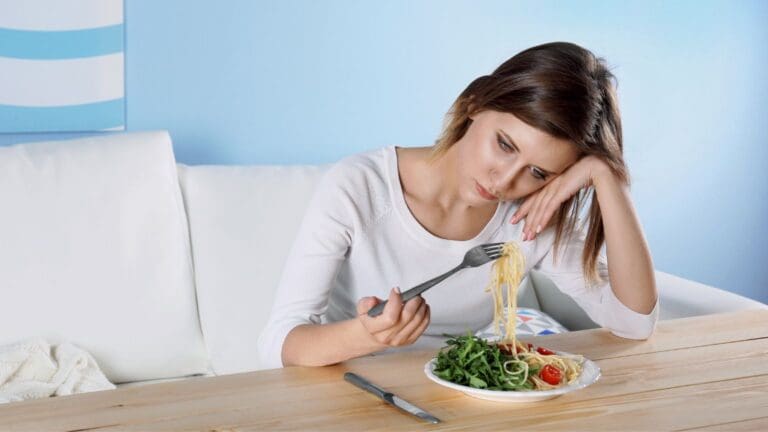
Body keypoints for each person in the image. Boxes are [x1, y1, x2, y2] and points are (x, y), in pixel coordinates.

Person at [257, 41, 659, 369]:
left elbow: (635, 322)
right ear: (474, 104)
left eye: (537, 171)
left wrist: (608, 177)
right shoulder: (360, 186)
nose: (504, 181)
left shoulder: (530, 215)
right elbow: (280, 343)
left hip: (456, 396)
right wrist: (367, 335)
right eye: (504, 144)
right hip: (346, 382)